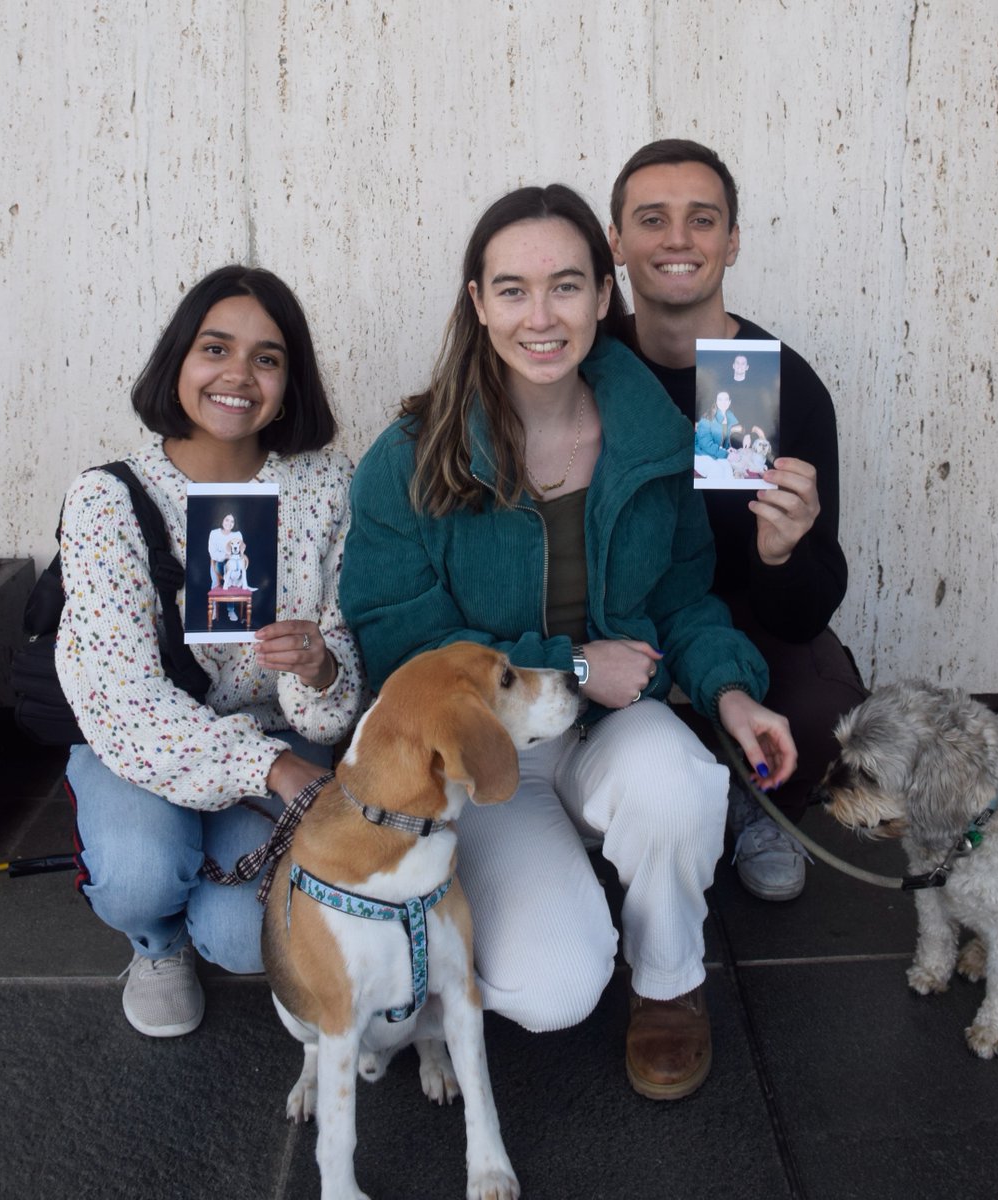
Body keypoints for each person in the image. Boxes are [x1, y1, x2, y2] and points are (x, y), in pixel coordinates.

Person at [339, 184, 797, 1102]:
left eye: (566, 287)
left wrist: (732, 693)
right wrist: (570, 664)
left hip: (615, 732)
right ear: (477, 302)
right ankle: (548, 898)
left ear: (602, 297)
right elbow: (402, 646)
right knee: (554, 992)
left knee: (674, 780)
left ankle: (670, 982)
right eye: (512, 290)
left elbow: (686, 602)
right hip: (488, 759)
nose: (540, 316)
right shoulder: (412, 456)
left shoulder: (656, 440)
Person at [56, 265, 364, 1038]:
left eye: (267, 358)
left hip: (275, 730)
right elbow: (124, 699)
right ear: (179, 362)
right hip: (142, 740)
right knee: (140, 874)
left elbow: (331, 709)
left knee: (241, 939)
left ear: (291, 381)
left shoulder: (325, 484)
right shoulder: (108, 499)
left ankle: (202, 910)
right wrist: (272, 771)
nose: (238, 375)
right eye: (215, 348)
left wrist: (318, 669)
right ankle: (155, 942)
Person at [609, 139, 868, 902]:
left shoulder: (780, 383)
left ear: (732, 240)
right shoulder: (585, 365)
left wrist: (784, 553)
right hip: (616, 618)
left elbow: (808, 609)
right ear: (617, 242)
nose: (678, 240)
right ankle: (648, 806)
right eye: (652, 219)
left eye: (702, 219)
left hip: (746, 620)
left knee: (832, 717)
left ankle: (759, 805)